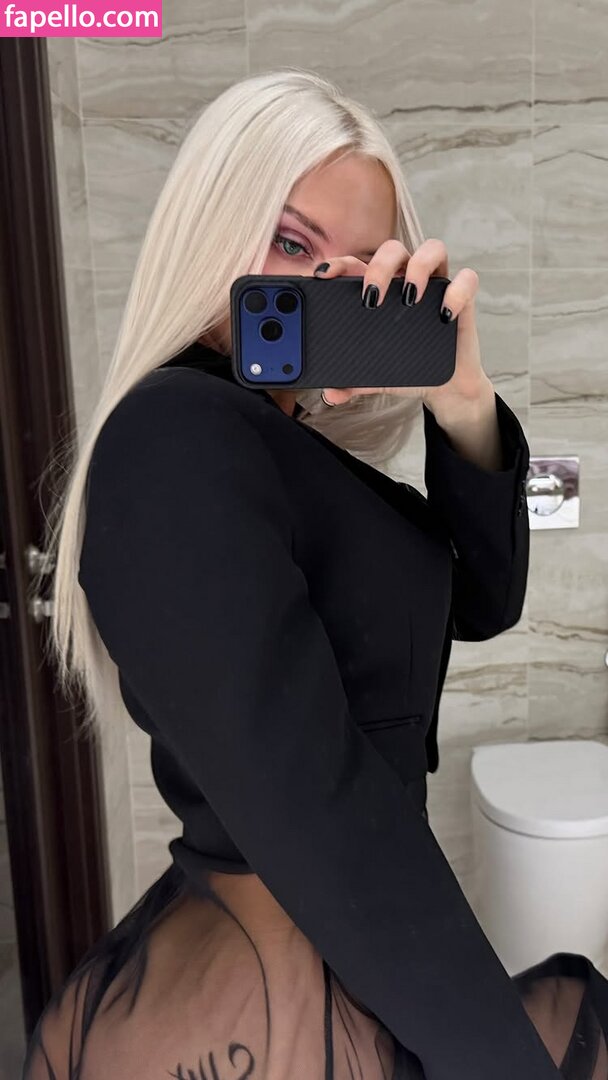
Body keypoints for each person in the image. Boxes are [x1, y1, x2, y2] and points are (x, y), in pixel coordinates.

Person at [23, 69, 608, 1080]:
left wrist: (461, 398)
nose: (318, 286)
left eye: (357, 269)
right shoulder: (175, 434)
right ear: (214, 226)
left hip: (305, 953)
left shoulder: (277, 451)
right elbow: (320, 806)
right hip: (283, 980)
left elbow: (483, 600)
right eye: (291, 243)